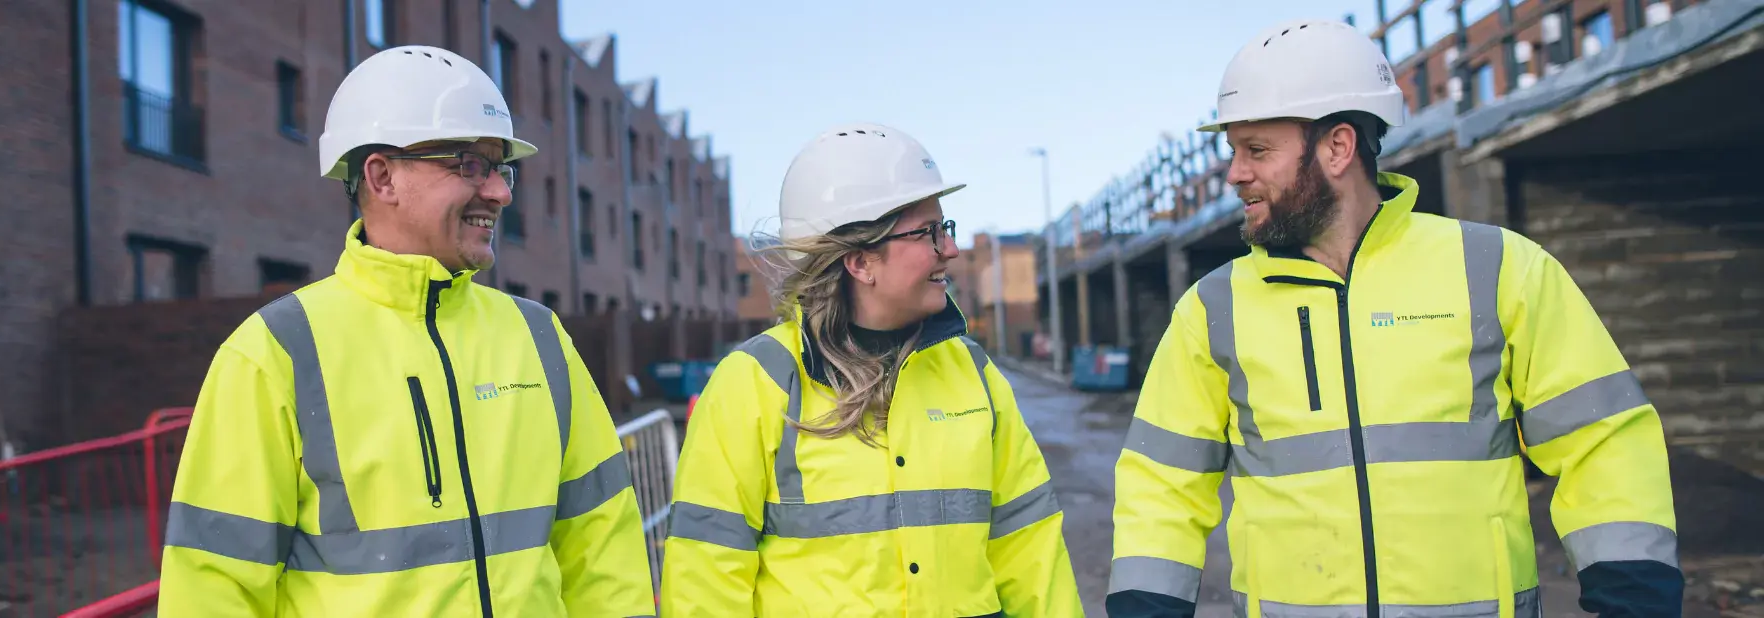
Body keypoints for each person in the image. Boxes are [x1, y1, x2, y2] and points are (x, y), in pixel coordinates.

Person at [1106, 18, 1681, 618]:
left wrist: (1634, 600)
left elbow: (1604, 442)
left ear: (1337, 147)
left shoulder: (1498, 267)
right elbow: (1160, 488)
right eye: (1233, 151)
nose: (1235, 173)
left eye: (1257, 150)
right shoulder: (1212, 309)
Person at [157, 45, 655, 617]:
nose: (500, 192)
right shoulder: (275, 352)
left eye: (501, 168)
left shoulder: (539, 338)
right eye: (470, 165)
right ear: (382, 175)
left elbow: (603, 548)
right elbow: (213, 590)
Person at [659, 123, 1083, 617]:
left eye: (945, 228)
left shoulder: (974, 372)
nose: (951, 250)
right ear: (861, 262)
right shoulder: (755, 382)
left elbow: (1030, 548)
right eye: (928, 233)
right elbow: (706, 580)